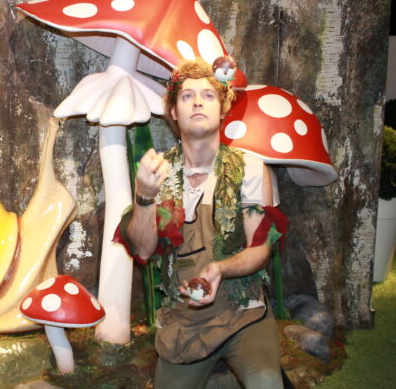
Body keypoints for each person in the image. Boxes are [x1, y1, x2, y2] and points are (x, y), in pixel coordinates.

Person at [114, 59, 285, 388]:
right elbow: (144, 249)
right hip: (185, 322)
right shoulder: (158, 171)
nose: (196, 102)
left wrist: (219, 270)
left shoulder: (249, 168)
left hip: (244, 315)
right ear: (174, 112)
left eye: (208, 96)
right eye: (187, 96)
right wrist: (146, 196)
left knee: (266, 383)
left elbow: (259, 249)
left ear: (222, 110)